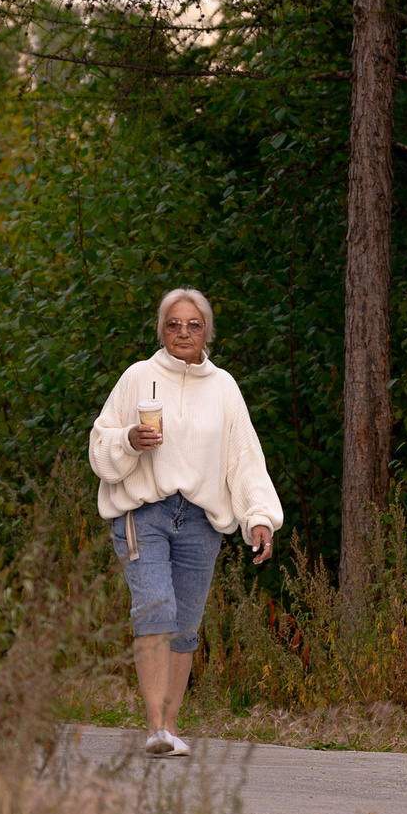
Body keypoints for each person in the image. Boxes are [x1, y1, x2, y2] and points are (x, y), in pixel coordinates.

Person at [88, 288, 282, 757]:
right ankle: (154, 726)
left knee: (186, 623)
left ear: (207, 332)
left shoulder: (223, 387)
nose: (183, 333)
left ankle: (170, 728)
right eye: (173, 324)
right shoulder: (138, 377)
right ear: (162, 330)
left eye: (193, 325)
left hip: (199, 519)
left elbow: (244, 459)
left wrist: (259, 517)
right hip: (144, 511)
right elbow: (99, 445)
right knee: (156, 606)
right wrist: (130, 440)